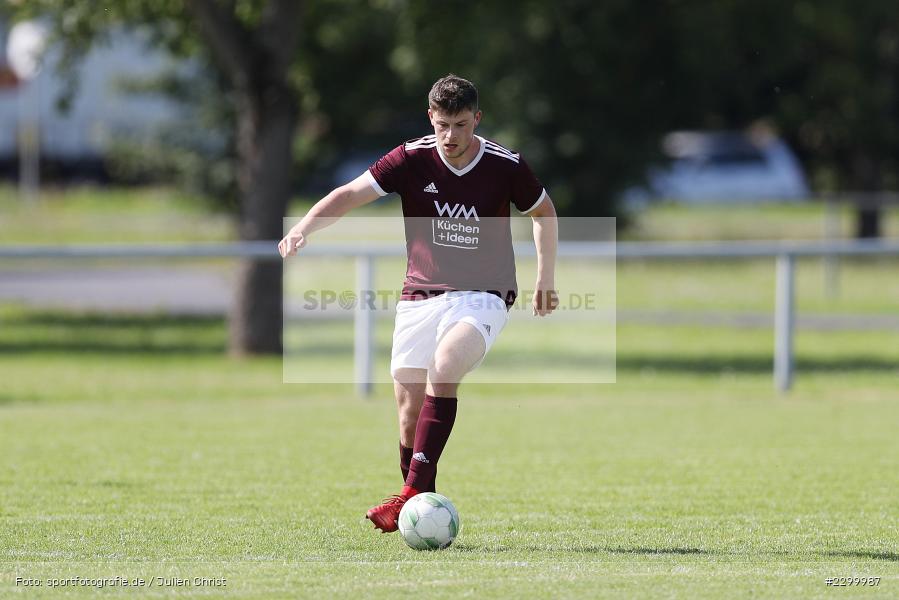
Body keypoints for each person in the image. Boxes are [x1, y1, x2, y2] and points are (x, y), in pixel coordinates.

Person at [279, 74, 558, 533]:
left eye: (462, 125)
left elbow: (543, 213)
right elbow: (349, 194)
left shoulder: (505, 165)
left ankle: (408, 497)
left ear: (477, 120)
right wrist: (304, 227)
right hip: (419, 295)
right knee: (408, 419)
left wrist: (545, 277)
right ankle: (419, 507)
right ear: (431, 117)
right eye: (444, 124)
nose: (452, 136)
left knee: (444, 369)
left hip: (483, 295)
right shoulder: (410, 159)